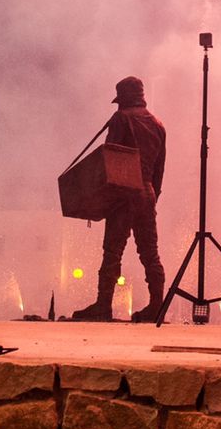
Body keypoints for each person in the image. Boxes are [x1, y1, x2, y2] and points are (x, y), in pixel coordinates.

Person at [71, 76, 168, 324]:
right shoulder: (158, 125)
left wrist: (98, 198)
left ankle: (103, 305)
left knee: (112, 251)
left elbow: (109, 159)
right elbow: (159, 171)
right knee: (150, 253)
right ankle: (157, 306)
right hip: (146, 193)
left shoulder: (121, 118)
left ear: (123, 98)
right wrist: (150, 197)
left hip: (123, 193)